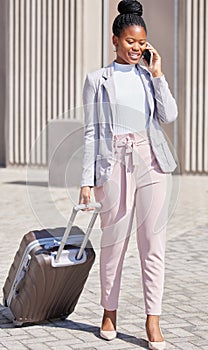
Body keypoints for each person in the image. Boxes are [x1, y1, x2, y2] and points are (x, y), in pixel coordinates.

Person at [79, 1, 178, 349]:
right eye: (130, 42)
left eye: (141, 43)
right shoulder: (97, 80)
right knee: (114, 243)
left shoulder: (148, 75)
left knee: (153, 243)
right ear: (115, 40)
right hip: (113, 162)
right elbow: (92, 131)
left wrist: (158, 75)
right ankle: (109, 312)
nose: (136, 48)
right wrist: (86, 182)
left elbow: (169, 115)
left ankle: (153, 320)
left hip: (150, 160)